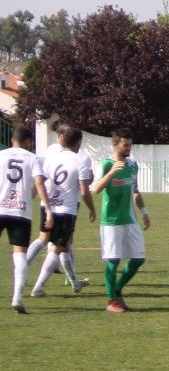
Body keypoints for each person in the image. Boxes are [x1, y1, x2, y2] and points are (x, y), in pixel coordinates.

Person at [28, 123, 94, 297]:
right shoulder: (81, 159)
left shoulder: (52, 156)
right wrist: (92, 209)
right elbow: (85, 189)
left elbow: (41, 181)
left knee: (54, 242)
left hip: (48, 205)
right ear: (78, 142)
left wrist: (36, 198)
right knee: (58, 247)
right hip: (67, 208)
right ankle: (38, 287)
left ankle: (73, 281)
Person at [90, 129, 150, 313]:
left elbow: (135, 190)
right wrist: (110, 174)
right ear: (115, 144)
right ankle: (111, 301)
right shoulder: (107, 164)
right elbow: (95, 189)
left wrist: (144, 212)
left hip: (130, 219)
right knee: (113, 260)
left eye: (130, 145)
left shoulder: (132, 165)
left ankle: (117, 289)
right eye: (125, 145)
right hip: (111, 221)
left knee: (139, 258)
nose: (129, 148)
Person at [0, 126, 52, 312]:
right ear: (28, 142)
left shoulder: (1, 155)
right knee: (20, 255)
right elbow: (39, 182)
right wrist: (48, 208)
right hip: (20, 212)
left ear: (12, 140)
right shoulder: (33, 158)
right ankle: (17, 298)